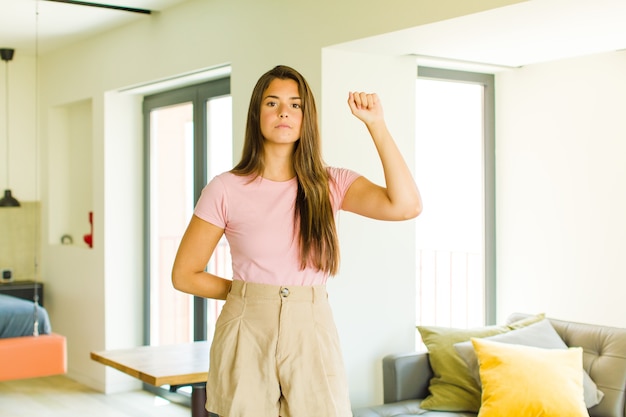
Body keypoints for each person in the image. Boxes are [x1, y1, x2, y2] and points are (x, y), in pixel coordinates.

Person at [171, 65, 422, 417]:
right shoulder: (225, 189)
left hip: (311, 326)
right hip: (246, 327)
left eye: (296, 104)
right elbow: (185, 274)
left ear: (307, 117)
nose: (284, 111)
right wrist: (248, 294)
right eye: (272, 103)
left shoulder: (331, 184)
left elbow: (406, 206)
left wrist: (376, 124)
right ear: (256, 114)